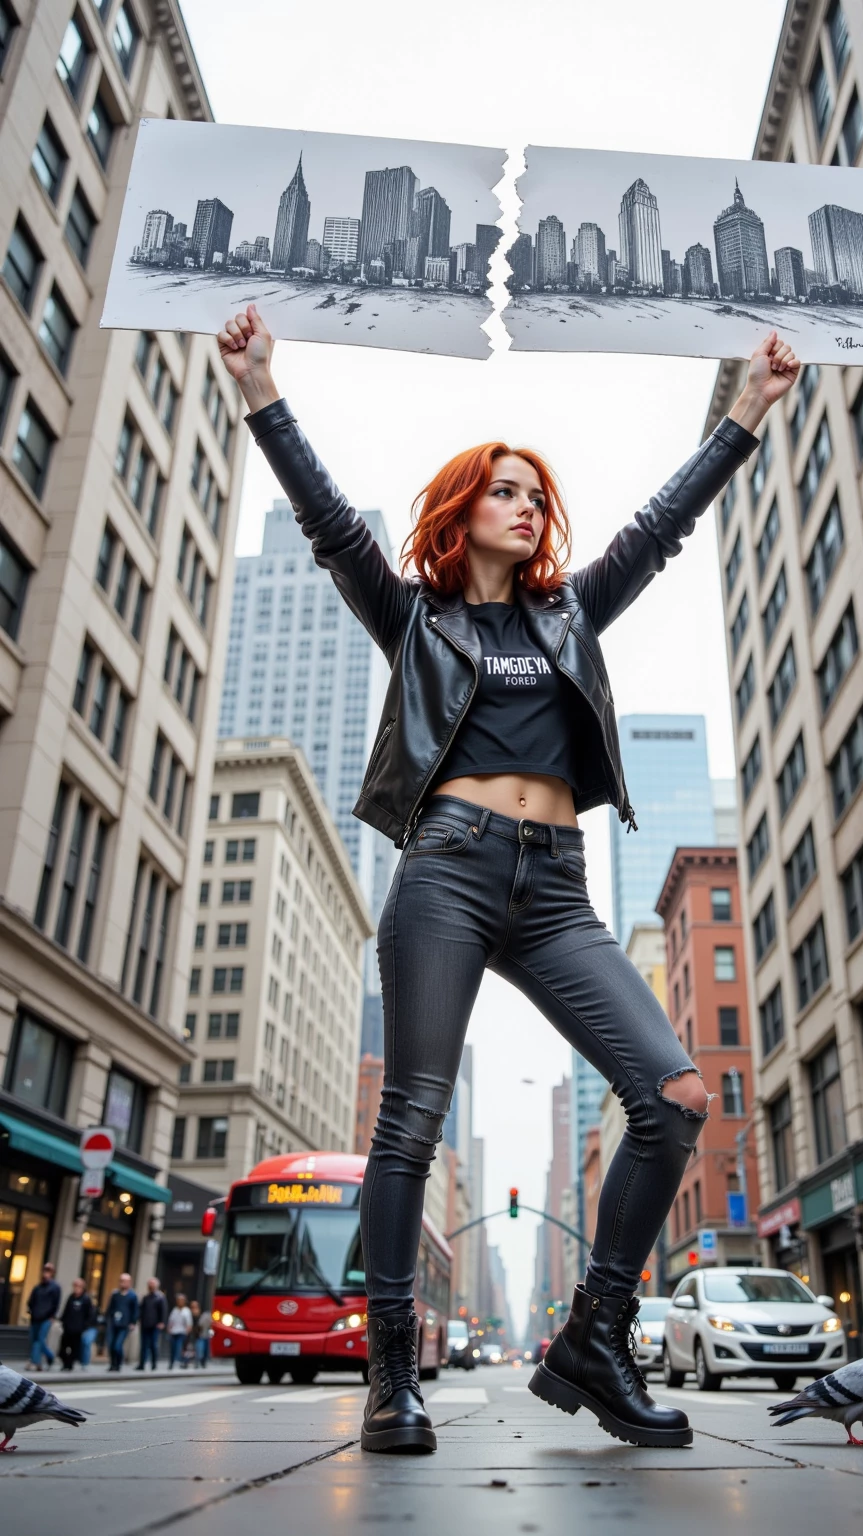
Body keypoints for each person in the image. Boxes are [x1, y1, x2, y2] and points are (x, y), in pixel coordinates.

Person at [218, 303, 798, 1456]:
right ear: (461, 508)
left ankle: (593, 1335)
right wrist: (259, 389)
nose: (527, 504)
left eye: (537, 492)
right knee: (412, 1128)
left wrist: (746, 410)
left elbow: (661, 525)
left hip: (555, 885)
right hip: (446, 870)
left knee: (674, 1099)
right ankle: (390, 1378)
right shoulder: (414, 615)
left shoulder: (573, 608)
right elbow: (331, 525)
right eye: (505, 488)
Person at [26, 1262, 61, 1371]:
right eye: (45, 1270)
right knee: (34, 1339)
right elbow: (31, 1301)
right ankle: (50, 1356)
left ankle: (35, 1362)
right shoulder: (38, 1287)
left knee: (39, 1340)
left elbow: (56, 1303)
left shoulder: (55, 1287)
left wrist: (52, 1316)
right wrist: (31, 1311)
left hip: (46, 1318)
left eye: (49, 1271)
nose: (46, 1273)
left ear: (52, 1273)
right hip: (35, 1317)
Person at [58, 1278, 97, 1372]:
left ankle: (69, 1365)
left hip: (78, 1329)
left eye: (79, 1286)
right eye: (75, 1286)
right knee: (63, 1348)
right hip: (68, 1327)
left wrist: (84, 1326)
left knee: (74, 1348)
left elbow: (90, 1314)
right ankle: (65, 1363)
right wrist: (63, 1322)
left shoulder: (86, 1299)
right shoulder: (71, 1297)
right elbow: (66, 1311)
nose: (76, 1288)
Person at [105, 1272, 139, 1372]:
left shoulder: (133, 1296)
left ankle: (118, 1363)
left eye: (124, 1281)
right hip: (113, 1323)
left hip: (124, 1324)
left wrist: (133, 1322)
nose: (122, 1283)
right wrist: (108, 1319)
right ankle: (112, 1364)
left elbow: (135, 1310)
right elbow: (110, 1308)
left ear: (129, 1282)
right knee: (111, 1344)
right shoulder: (115, 1294)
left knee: (117, 1345)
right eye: (121, 1281)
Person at [137, 1278, 167, 1371]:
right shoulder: (146, 1297)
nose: (150, 1286)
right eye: (150, 1285)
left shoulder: (160, 1297)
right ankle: (142, 1364)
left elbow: (163, 1310)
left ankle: (154, 1364)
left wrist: (161, 1322)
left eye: (152, 1285)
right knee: (143, 1345)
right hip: (145, 1324)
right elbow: (141, 1310)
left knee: (153, 1345)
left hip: (155, 1325)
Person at [167, 1293, 192, 1369]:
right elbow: (171, 1321)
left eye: (181, 1300)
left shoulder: (186, 1311)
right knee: (173, 1348)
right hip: (174, 1331)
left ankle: (183, 1361)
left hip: (182, 1332)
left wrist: (187, 1332)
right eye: (178, 1300)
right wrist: (169, 1329)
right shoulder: (174, 1310)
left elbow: (189, 1323)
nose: (179, 1302)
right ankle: (171, 1362)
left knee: (180, 1348)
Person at [190, 1300, 212, 1369]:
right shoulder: (191, 1315)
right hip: (198, 1335)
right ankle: (197, 1362)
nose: (194, 1309)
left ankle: (203, 1362)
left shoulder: (204, 1315)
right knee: (199, 1349)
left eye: (195, 1307)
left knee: (204, 1349)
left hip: (205, 1334)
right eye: (192, 1307)